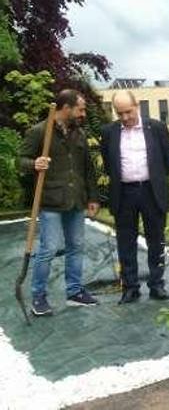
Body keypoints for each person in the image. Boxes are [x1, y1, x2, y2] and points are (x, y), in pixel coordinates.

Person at [18, 89, 100, 315]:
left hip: (76, 201)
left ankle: (74, 292)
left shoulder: (79, 133)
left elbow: (88, 168)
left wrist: (93, 197)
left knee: (76, 246)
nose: (83, 113)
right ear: (66, 108)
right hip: (51, 201)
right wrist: (34, 163)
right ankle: (38, 297)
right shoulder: (40, 132)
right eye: (80, 109)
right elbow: (20, 160)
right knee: (49, 249)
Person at [100, 90, 169, 304]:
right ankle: (130, 287)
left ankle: (157, 285)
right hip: (123, 193)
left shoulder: (157, 128)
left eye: (128, 112)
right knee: (125, 242)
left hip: (151, 191)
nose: (124, 117)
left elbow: (168, 159)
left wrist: (156, 178)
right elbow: (108, 163)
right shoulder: (109, 132)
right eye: (119, 113)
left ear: (137, 106)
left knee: (156, 239)